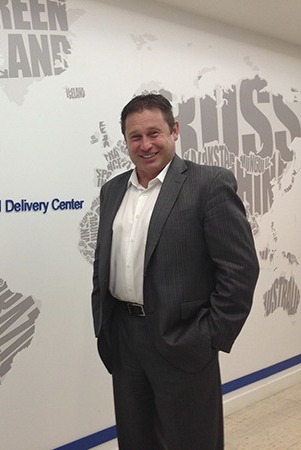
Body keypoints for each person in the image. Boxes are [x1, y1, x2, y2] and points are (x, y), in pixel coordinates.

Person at [91, 93, 260, 449]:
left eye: (154, 133)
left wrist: (208, 337)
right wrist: (107, 329)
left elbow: (240, 269)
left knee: (191, 441)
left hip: (183, 339)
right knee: (136, 440)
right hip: (125, 340)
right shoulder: (112, 191)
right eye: (135, 136)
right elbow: (104, 262)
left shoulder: (209, 184)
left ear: (174, 131)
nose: (146, 144)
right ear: (126, 141)